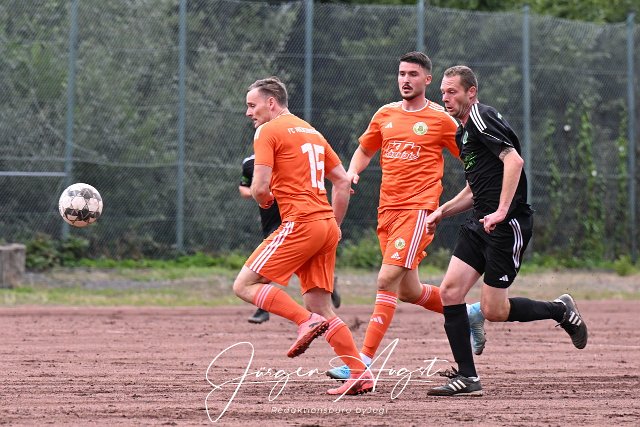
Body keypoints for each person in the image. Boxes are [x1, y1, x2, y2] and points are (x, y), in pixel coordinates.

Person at [425, 65, 588, 397]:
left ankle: (560, 309)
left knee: (494, 311)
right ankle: (468, 377)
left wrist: (501, 211)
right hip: (480, 223)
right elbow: (474, 189)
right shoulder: (462, 132)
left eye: (452, 91)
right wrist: (443, 210)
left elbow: (514, 161)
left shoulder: (481, 116)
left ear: (471, 92)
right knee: (450, 293)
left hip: (506, 224)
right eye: (442, 92)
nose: (445, 98)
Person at [327, 52, 486, 381]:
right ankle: (469, 312)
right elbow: (365, 149)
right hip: (387, 211)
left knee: (386, 280)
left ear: (427, 80)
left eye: (413, 74)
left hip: (418, 211)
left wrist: (479, 187)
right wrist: (352, 172)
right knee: (409, 291)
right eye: (402, 73)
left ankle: (361, 362)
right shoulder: (385, 114)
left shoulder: (441, 119)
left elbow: (472, 158)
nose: (405, 79)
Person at [233, 76, 373, 396]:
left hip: (301, 222)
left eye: (252, 105)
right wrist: (334, 225)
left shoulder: (267, 131)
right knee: (320, 306)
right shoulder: (311, 131)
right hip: (325, 224)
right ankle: (359, 373)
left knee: (244, 285)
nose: (248, 112)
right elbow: (342, 182)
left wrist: (264, 200)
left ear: (271, 103)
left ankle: (303, 321)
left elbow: (259, 188)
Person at [239, 156, 342, 324]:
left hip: (292, 219)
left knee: (264, 268)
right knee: (288, 265)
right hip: (270, 220)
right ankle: (329, 282)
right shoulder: (249, 163)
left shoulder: (287, 156)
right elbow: (244, 189)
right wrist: (260, 190)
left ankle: (264, 310)